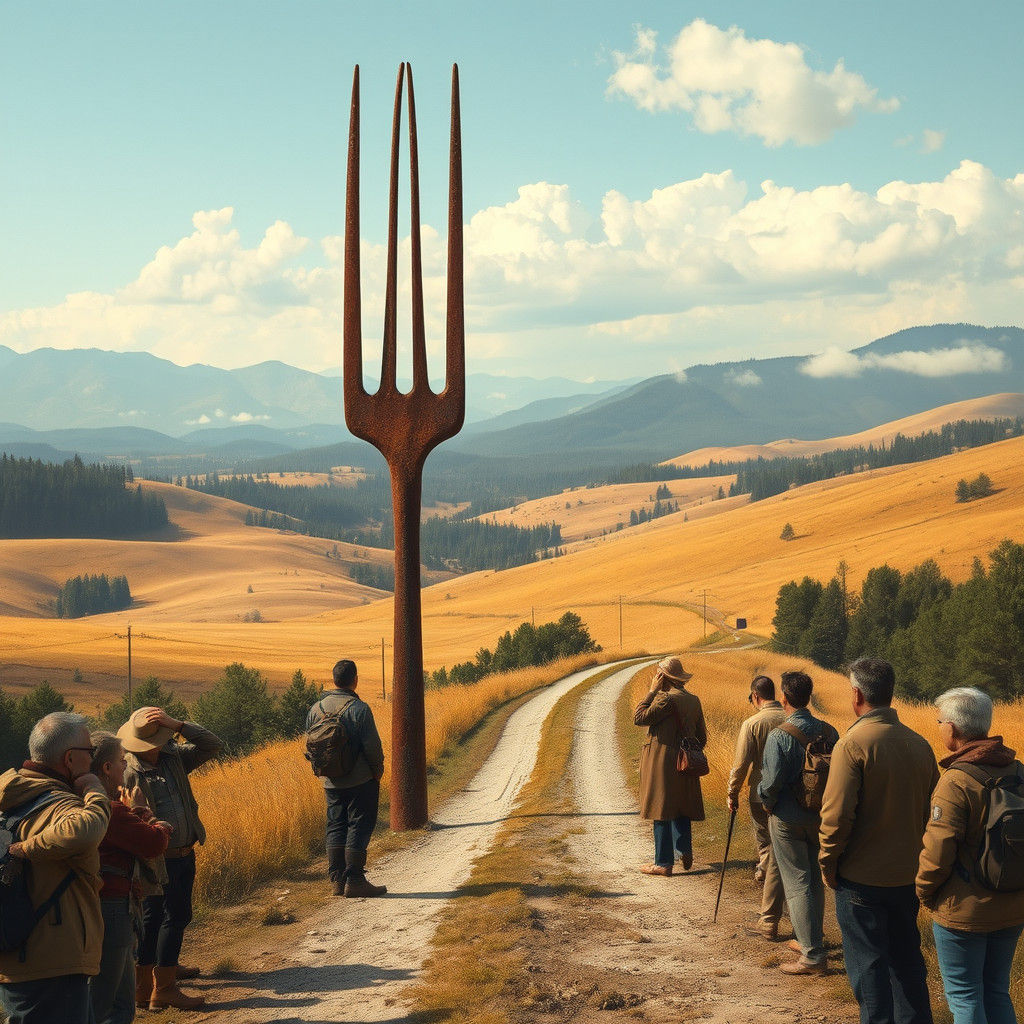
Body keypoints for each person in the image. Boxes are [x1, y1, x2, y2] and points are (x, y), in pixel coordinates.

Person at [820, 657, 938, 1023]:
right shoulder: (920, 744)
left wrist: (828, 862)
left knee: (869, 969)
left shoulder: (852, 744)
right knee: (907, 964)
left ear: (856, 694)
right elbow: (932, 812)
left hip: (861, 879)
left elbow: (836, 817)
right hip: (907, 875)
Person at [917, 687, 1024, 1024]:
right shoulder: (1019, 772)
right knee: (996, 991)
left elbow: (937, 851)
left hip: (963, 909)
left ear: (952, 728)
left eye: (940, 722)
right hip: (1013, 903)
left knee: (964, 997)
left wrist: (924, 891)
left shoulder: (956, 781)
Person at [0, 712, 111, 1024]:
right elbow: (87, 829)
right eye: (90, 753)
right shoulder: (59, 804)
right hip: (53, 957)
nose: (93, 760)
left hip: (15, 953)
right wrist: (93, 789)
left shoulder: (11, 798)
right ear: (71, 759)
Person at [119, 706, 222, 1011]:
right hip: (156, 859)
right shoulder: (129, 772)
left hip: (183, 852)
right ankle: (160, 988)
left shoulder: (174, 758)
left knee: (164, 919)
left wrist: (177, 724)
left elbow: (212, 745)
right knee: (169, 918)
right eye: (163, 735)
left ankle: (158, 975)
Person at [758, 669, 839, 975]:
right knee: (814, 881)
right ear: (809, 695)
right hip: (822, 817)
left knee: (798, 883)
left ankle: (813, 955)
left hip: (787, 819)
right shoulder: (830, 732)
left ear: (785, 697)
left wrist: (765, 802)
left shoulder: (780, 735)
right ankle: (810, 939)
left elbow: (771, 781)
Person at [88, 731, 171, 1024]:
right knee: (109, 1001)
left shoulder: (90, 805)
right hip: (112, 907)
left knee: (116, 997)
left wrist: (134, 817)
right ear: (106, 768)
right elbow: (152, 844)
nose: (126, 767)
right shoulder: (108, 809)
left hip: (100, 905)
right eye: (122, 762)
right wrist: (158, 825)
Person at [307, 659, 386, 898]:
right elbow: (372, 746)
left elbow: (311, 745)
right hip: (360, 779)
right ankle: (355, 879)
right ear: (355, 680)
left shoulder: (315, 709)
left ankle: (337, 881)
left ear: (334, 680)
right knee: (359, 824)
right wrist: (377, 771)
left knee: (336, 825)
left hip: (330, 781)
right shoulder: (359, 709)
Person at [633, 656, 707, 876]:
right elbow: (702, 737)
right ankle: (683, 848)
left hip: (662, 761)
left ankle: (663, 863)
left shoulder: (664, 699)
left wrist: (651, 691)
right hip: (685, 761)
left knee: (661, 808)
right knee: (680, 805)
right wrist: (686, 751)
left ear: (663, 677)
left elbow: (639, 717)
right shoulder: (694, 700)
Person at [727, 674, 787, 939]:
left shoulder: (752, 723)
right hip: (791, 796)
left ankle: (768, 904)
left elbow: (741, 764)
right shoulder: (790, 718)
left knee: (765, 844)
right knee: (785, 848)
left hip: (759, 794)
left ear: (755, 696)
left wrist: (732, 791)